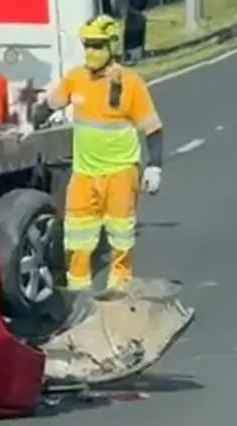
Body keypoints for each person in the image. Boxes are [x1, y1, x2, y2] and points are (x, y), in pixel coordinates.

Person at [28, 15, 163, 297]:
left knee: (121, 237)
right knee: (76, 238)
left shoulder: (132, 83)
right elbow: (50, 105)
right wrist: (31, 123)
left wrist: (154, 167)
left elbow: (152, 128)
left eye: (98, 45)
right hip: (84, 174)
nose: (91, 51)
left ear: (111, 46)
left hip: (121, 173)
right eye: (87, 45)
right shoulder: (76, 79)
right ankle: (78, 297)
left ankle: (119, 293)